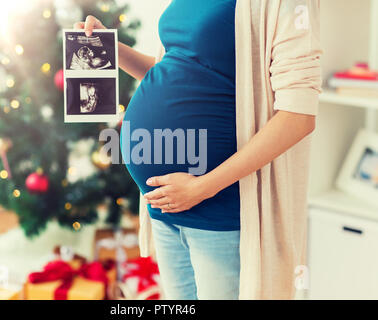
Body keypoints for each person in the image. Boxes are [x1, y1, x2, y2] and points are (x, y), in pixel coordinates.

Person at [75, 0, 322, 300]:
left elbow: (299, 116)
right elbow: (175, 68)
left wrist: (202, 187)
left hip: (220, 209)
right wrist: (111, 47)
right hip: (164, 205)